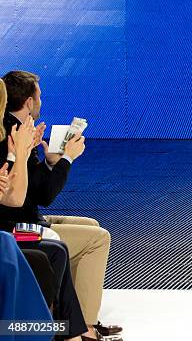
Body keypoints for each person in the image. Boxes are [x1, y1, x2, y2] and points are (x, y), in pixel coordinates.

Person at [0, 70, 121, 339]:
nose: (41, 101)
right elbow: (32, 197)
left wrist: (49, 162)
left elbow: (33, 191)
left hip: (26, 217)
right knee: (97, 239)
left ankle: (72, 319)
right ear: (30, 102)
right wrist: (65, 160)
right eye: (39, 96)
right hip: (17, 225)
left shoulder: (20, 132)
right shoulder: (13, 135)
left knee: (91, 226)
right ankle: (82, 325)